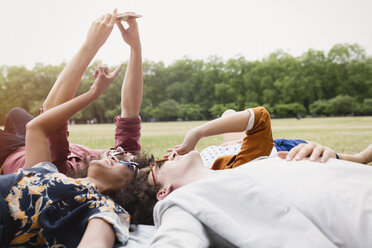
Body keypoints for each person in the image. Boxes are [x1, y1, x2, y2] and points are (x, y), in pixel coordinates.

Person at [126, 107, 372, 247]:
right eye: (158, 165)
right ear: (163, 192)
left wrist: (325, 158)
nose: (168, 156)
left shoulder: (240, 169)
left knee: (229, 114)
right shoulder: (184, 204)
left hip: (350, 180)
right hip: (359, 213)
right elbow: (177, 239)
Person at [0, 56, 133, 246]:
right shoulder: (49, 172)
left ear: (132, 189)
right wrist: (93, 93)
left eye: (128, 162)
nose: (118, 155)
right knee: (16, 113)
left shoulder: (104, 208)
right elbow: (35, 128)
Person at [0, 9, 143, 178]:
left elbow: (51, 112)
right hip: (27, 141)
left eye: (122, 156)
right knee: (16, 113)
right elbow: (130, 113)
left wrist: (91, 45)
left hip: (10, 151)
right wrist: (135, 46)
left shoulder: (61, 171)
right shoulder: (126, 165)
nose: (120, 150)